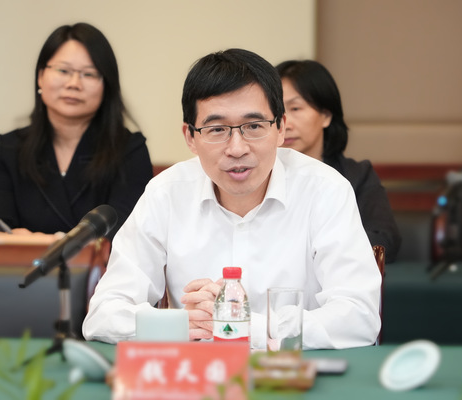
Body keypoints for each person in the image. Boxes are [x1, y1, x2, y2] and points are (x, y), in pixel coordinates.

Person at [83, 48, 381, 350]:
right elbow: (103, 314)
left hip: (289, 373)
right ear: (190, 137)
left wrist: (241, 325)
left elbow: (359, 318)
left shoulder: (325, 190)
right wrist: (180, 324)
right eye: (217, 129)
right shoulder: (166, 194)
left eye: (253, 126)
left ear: (280, 128)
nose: (237, 148)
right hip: (198, 374)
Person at [0, 23, 153, 239]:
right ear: (40, 76)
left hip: (100, 264)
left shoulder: (129, 150)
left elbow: (125, 236)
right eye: (63, 71)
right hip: (24, 263)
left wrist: (43, 242)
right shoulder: (7, 150)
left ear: (106, 86)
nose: (73, 83)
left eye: (89, 74)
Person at [276, 60, 401, 262]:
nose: (285, 123)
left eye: (296, 108)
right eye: (277, 111)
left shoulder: (357, 175)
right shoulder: (257, 175)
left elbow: (384, 240)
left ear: (325, 115)